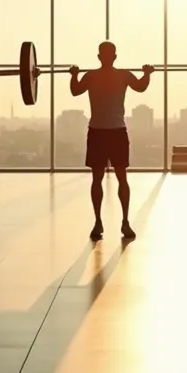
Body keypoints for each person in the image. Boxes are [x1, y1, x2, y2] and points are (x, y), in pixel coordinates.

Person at [69, 41, 153, 241]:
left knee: (108, 179)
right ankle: (111, 222)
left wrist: (74, 75)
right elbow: (141, 86)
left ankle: (113, 222)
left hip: (107, 132)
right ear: (112, 56)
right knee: (114, 179)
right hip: (108, 132)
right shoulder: (121, 75)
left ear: (102, 57)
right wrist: (147, 73)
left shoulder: (92, 76)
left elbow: (75, 90)